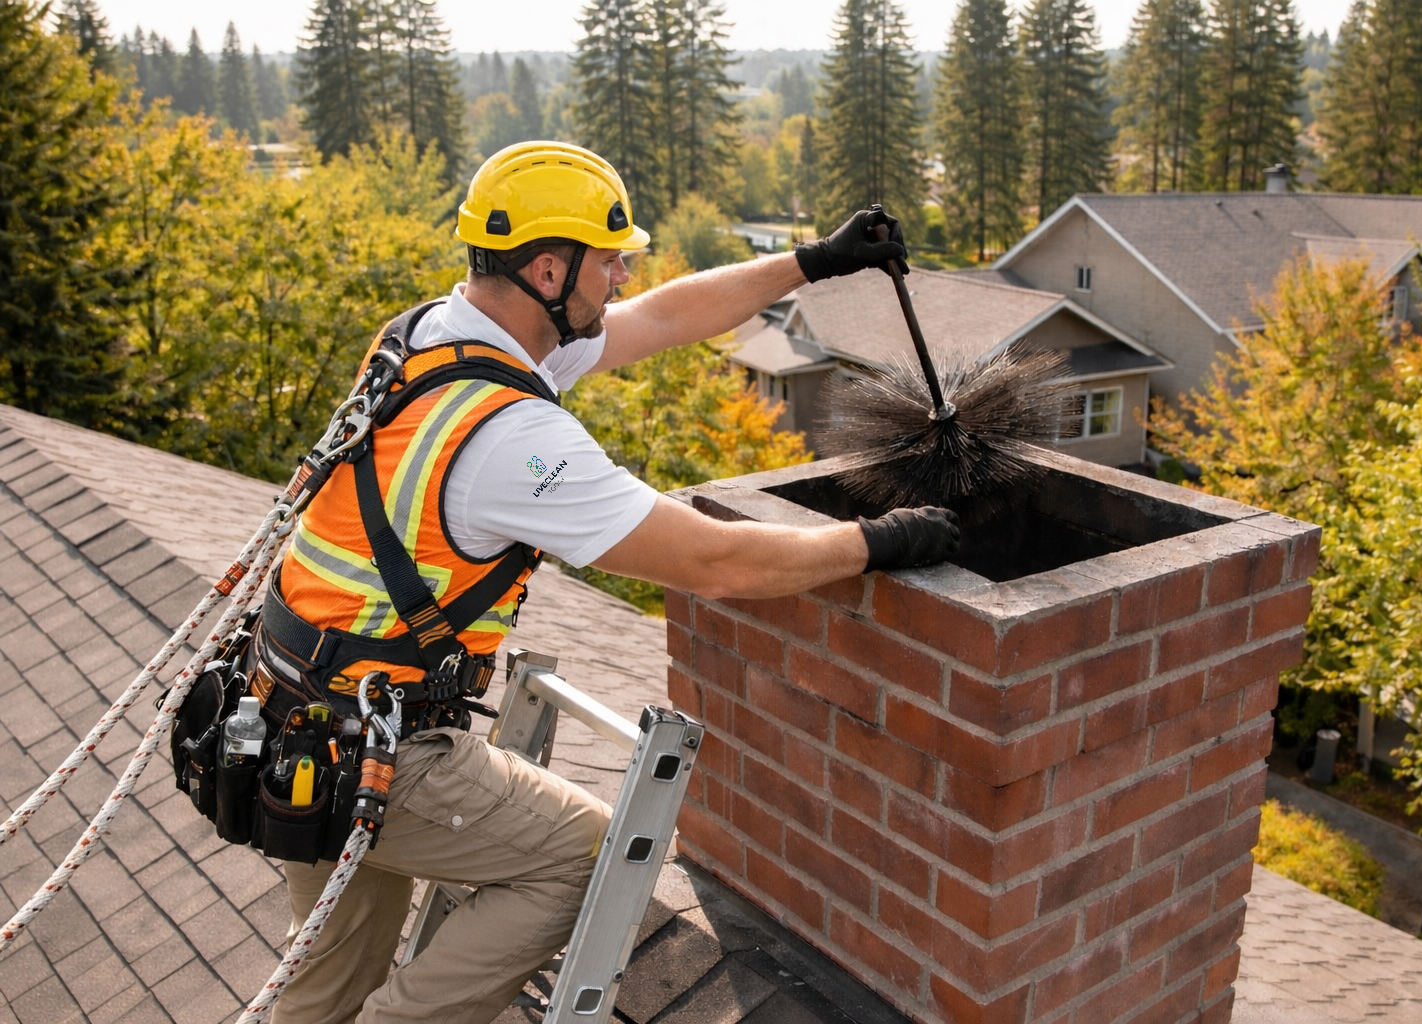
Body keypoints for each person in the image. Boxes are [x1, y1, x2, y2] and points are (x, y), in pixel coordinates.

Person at [257, 141, 959, 1024]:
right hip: (385, 750)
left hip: (296, 722)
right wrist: (879, 542)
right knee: (597, 852)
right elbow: (717, 561)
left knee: (322, 984)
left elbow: (664, 317)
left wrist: (812, 262)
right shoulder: (512, 435)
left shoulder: (440, 334)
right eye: (610, 256)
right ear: (550, 269)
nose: (625, 273)